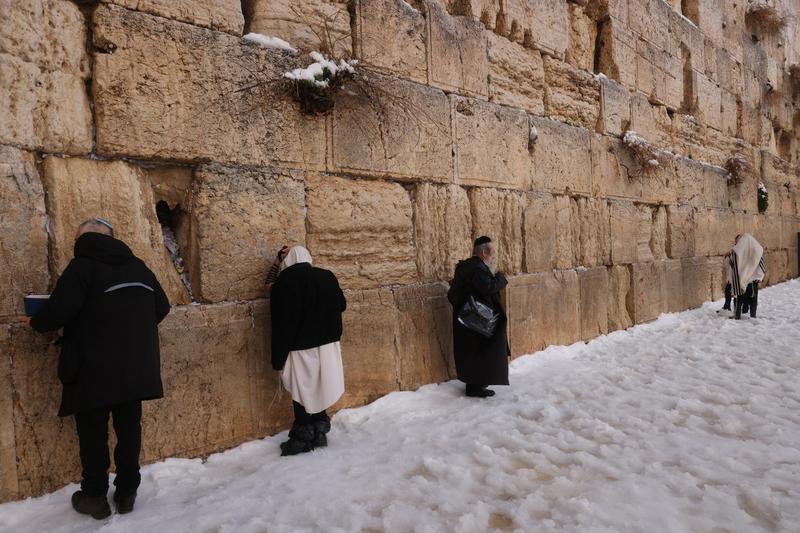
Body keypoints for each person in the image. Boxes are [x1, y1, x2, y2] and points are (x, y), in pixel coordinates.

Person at [27, 218, 170, 519]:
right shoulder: (139, 267)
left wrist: (37, 322)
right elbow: (162, 306)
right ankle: (128, 491)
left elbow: (58, 311)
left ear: (82, 240)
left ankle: (94, 496)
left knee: (93, 433)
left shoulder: (82, 267)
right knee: (129, 429)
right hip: (135, 366)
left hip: (93, 368)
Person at [270, 245, 346, 456]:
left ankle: (302, 436)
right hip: (328, 344)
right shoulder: (327, 276)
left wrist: (278, 357)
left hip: (300, 347)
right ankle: (320, 430)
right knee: (319, 386)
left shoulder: (284, 283)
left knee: (302, 391)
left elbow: (281, 321)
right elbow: (342, 304)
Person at [447, 236, 510, 398]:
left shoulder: (466, 267)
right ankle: (475, 387)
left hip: (469, 319)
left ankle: (475, 385)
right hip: (477, 320)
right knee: (481, 351)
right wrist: (501, 278)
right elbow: (488, 287)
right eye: (492, 253)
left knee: (473, 352)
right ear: (484, 252)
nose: (494, 256)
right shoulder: (476, 268)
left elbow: (453, 294)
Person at [727, 233, 766, 319]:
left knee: (740, 298)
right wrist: (759, 277)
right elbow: (762, 264)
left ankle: (738, 315)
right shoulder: (758, 249)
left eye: (737, 242)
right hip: (751, 280)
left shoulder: (736, 251)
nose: (736, 244)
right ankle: (752, 315)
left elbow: (732, 266)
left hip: (741, 280)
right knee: (752, 298)